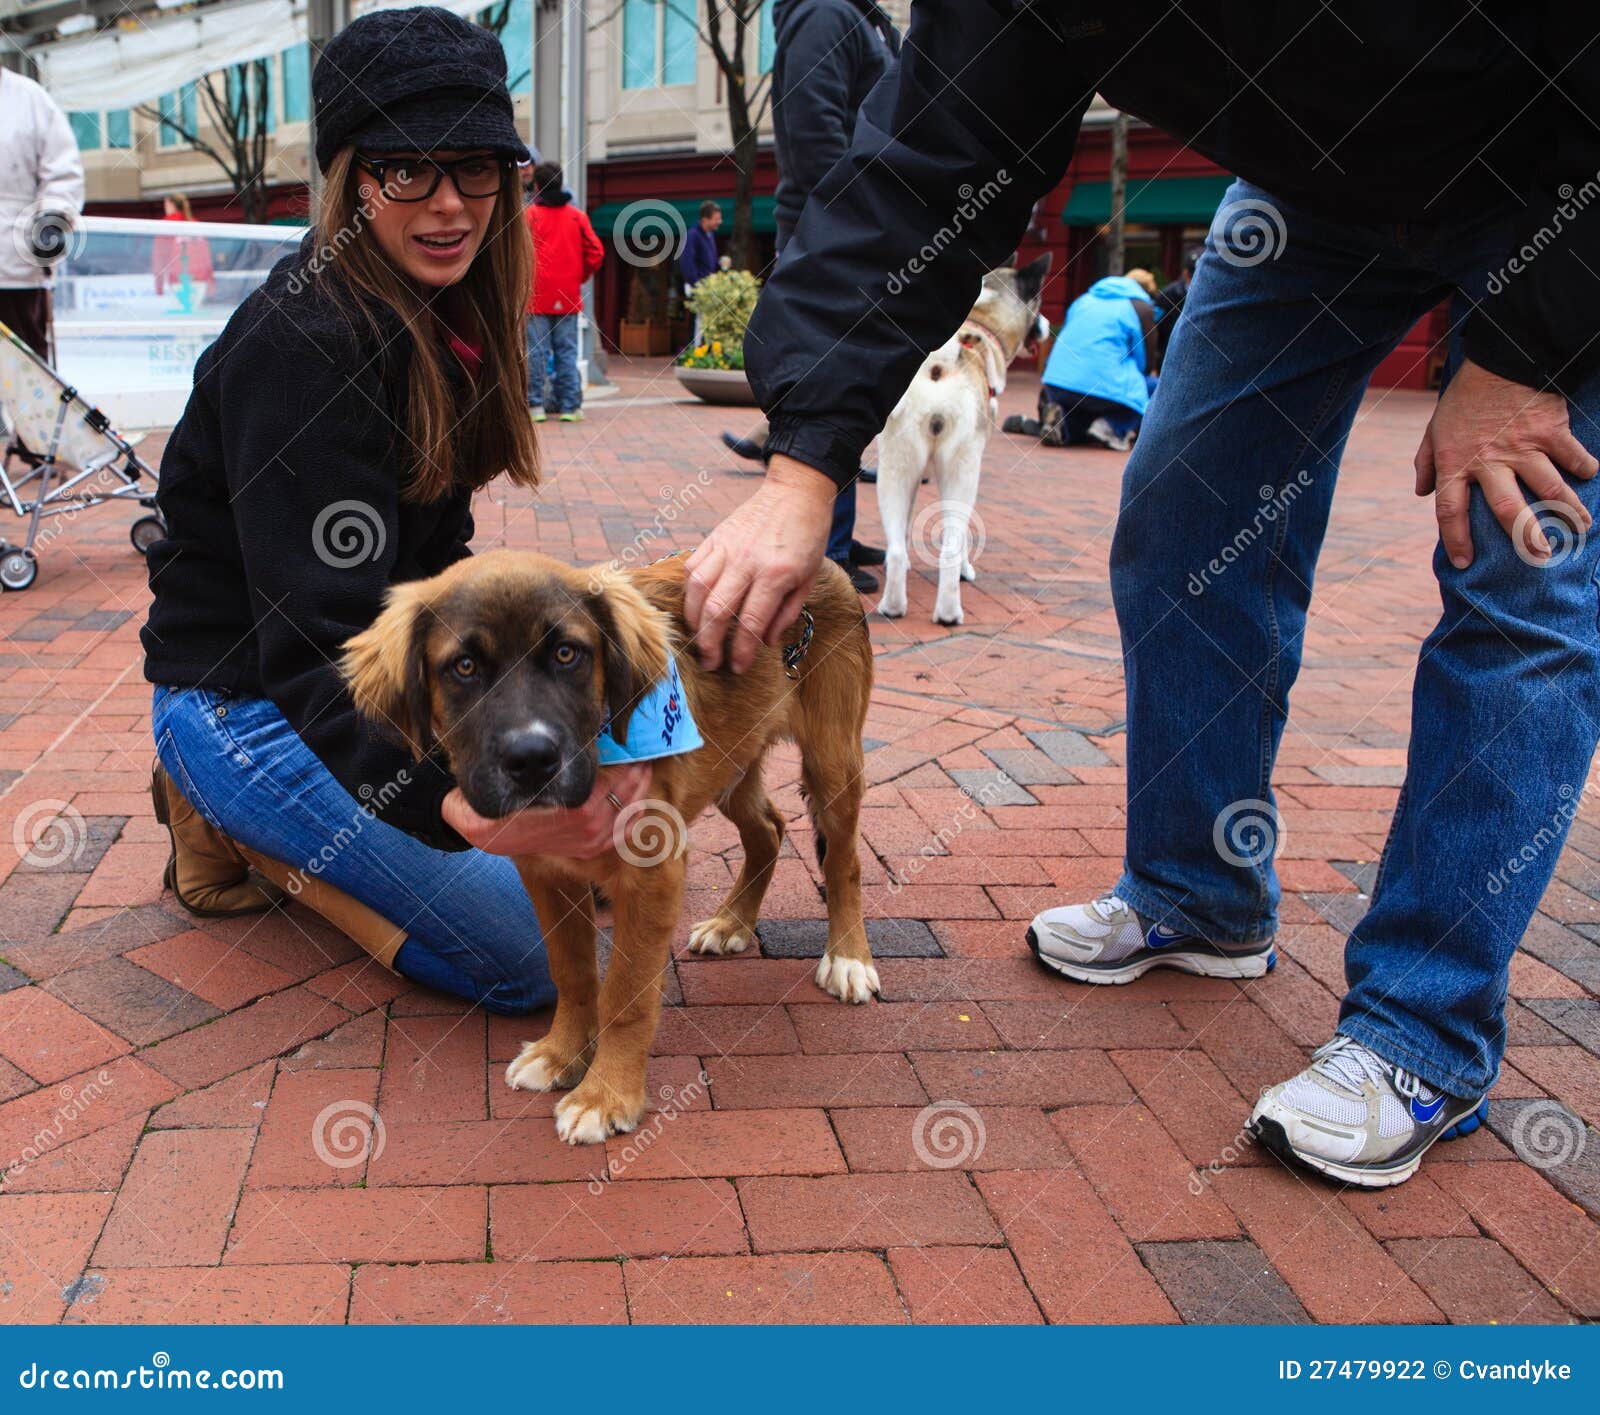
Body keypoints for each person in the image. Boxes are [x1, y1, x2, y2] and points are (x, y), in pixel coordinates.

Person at [684, 2, 1600, 1188]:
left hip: (1556, 173)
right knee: (1182, 508)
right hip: (1309, 193)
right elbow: (921, 168)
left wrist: (1526, 351)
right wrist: (807, 465)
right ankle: (1198, 887)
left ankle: (1426, 1025)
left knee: (1520, 560)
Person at [141, 6, 653, 1015]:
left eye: (476, 169)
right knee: (531, 957)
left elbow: (438, 567)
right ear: (349, 178)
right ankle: (228, 821)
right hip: (246, 703)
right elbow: (310, 651)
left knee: (585, 867)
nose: (450, 204)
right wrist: (460, 807)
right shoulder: (302, 345)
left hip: (370, 680)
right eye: (406, 170)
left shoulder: (443, 314)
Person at [718, 0, 897, 595]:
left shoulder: (854, 14)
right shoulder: (825, 10)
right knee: (829, 376)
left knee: (853, 375)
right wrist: (855, 220)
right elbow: (811, 128)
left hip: (847, 224)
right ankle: (828, 549)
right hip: (837, 229)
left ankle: (837, 531)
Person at [1005, 268, 1158, 451]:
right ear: (1146, 291)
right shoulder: (1141, 307)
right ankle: (1112, 427)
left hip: (1056, 384)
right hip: (1103, 389)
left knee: (1084, 414)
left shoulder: (1084, 300)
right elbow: (1145, 361)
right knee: (1153, 387)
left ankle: (1064, 427)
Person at [0, 64, 84, 360]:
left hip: (14, 270)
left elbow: (62, 173)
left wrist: (52, 221)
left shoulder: (29, 99)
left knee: (24, 371)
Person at [525, 158, 603, 423]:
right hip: (568, 295)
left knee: (536, 352)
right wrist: (579, 276)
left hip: (536, 296)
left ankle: (535, 405)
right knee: (567, 352)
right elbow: (596, 252)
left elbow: (516, 254)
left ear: (536, 186)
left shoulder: (530, 216)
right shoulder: (576, 216)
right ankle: (570, 406)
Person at [151, 192, 215, 309]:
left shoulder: (166, 225)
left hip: (179, 281)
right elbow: (206, 256)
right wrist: (210, 280)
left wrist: (158, 284)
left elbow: (159, 256)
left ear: (170, 204)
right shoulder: (195, 224)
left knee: (182, 321)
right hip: (201, 281)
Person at [1153, 247, 1199, 363]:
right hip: (1168, 357)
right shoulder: (1166, 296)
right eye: (1194, 276)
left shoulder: (1210, 295)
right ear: (1186, 274)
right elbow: (1154, 329)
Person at [680, 199, 722, 292]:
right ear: (705, 220)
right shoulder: (692, 236)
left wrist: (720, 264)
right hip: (698, 290)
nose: (720, 222)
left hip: (710, 288)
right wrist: (696, 286)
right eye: (716, 219)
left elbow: (710, 262)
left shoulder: (710, 235)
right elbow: (687, 263)